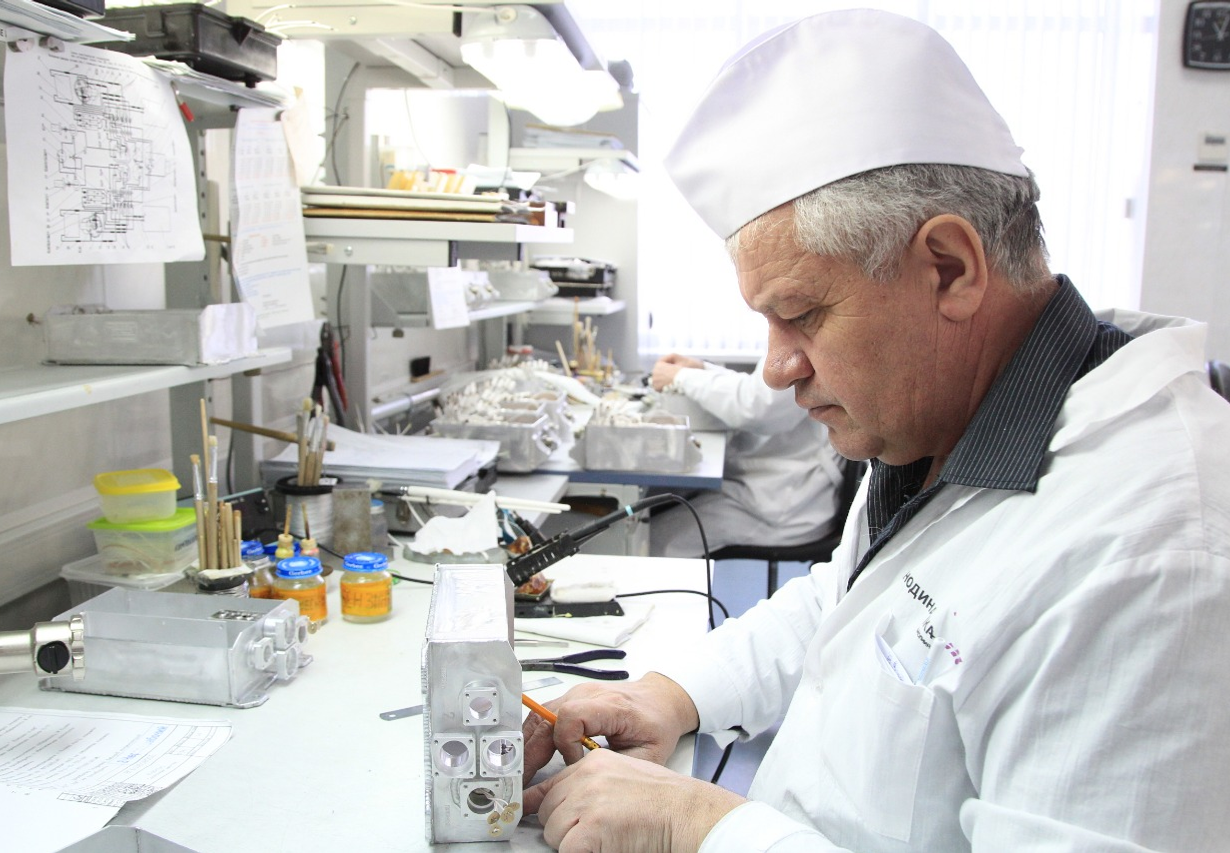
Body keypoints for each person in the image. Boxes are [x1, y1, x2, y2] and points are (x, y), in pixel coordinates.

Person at [519, 9, 1230, 853]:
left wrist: (699, 824)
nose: (777, 368)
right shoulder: (945, 420)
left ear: (950, 269)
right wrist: (669, 694)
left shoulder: (1151, 555)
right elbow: (850, 602)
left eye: (801, 314)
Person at [646, 352, 842, 557]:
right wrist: (702, 369)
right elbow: (759, 387)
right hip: (773, 485)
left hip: (783, 504)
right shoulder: (804, 340)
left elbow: (758, 407)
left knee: (651, 544)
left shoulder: (805, 345)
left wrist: (681, 377)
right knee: (651, 515)